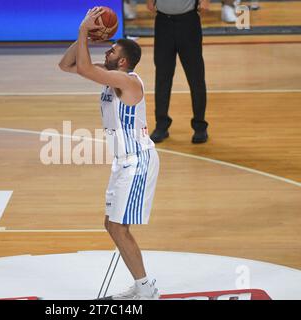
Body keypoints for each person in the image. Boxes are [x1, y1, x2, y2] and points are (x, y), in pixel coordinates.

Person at [59, 7, 160, 300]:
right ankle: (143, 285)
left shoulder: (128, 81)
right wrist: (86, 40)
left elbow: (84, 69)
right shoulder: (111, 78)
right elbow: (67, 64)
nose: (109, 51)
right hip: (123, 163)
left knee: (117, 225)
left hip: (138, 160)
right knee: (112, 225)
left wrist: (82, 30)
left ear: (123, 61)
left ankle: (146, 289)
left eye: (112, 50)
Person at [147, 0, 209, 143]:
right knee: (162, 76)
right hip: (163, 22)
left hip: (189, 21)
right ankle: (161, 125)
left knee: (196, 77)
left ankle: (200, 126)